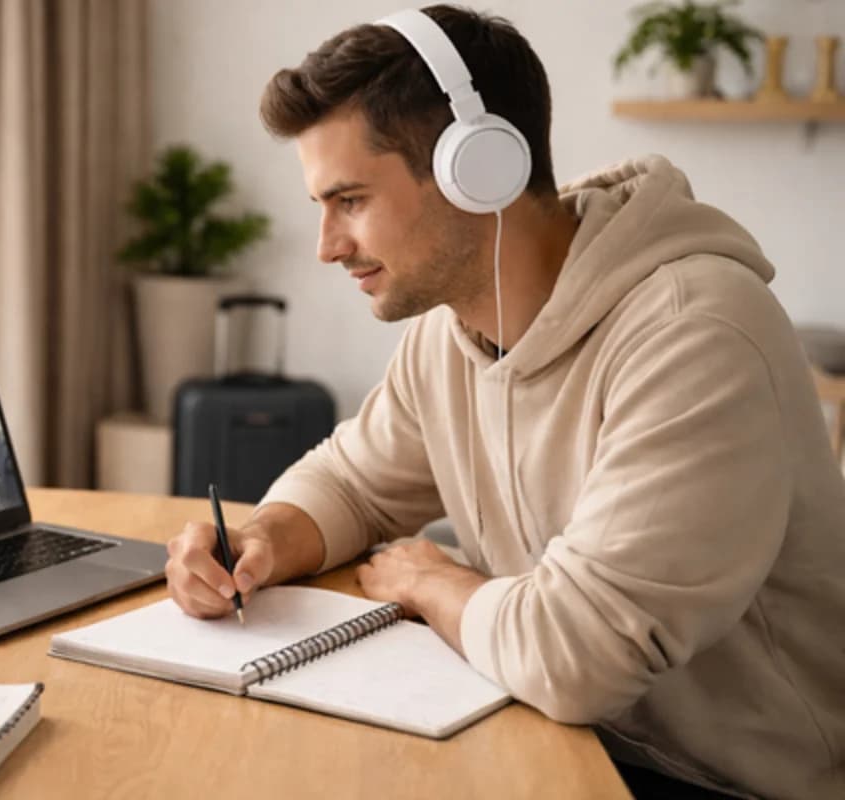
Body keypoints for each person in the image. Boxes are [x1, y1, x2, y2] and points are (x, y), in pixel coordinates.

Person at [163, 6, 845, 799]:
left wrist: (434, 582)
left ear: (477, 169)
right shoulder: (453, 331)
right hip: (553, 733)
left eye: (349, 200)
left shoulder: (694, 336)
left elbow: (575, 657)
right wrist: (259, 541)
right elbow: (354, 482)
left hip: (725, 781)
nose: (327, 245)